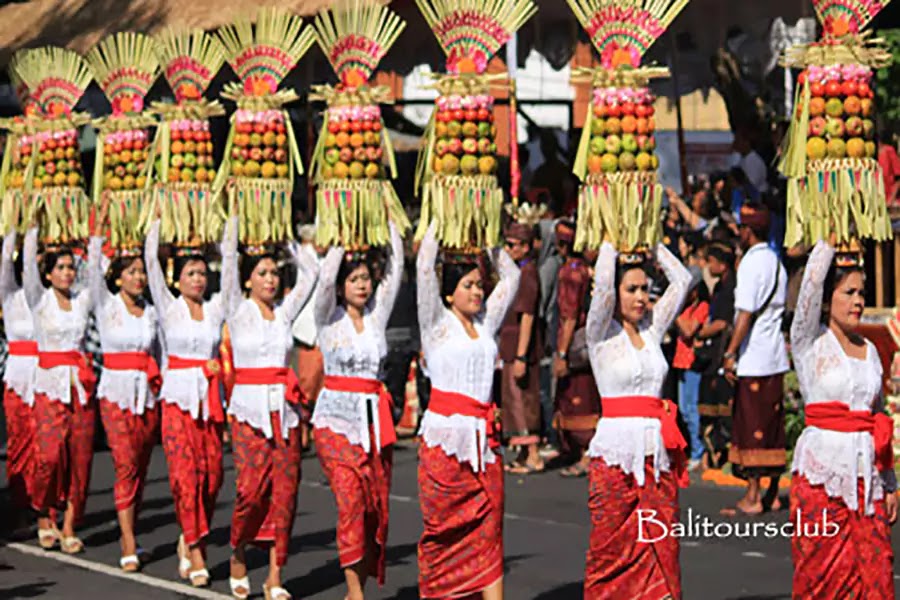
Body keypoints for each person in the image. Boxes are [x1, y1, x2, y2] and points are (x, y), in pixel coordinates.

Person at [582, 238, 691, 599]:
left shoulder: (653, 330)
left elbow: (682, 280)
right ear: (614, 294)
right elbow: (599, 291)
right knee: (611, 555)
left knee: (661, 551)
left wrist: (650, 241)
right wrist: (613, 237)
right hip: (614, 457)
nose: (641, 297)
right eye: (631, 289)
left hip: (656, 457)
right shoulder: (600, 334)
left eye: (645, 289)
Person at [415, 222, 520, 600]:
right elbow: (425, 265)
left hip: (484, 443)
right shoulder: (435, 325)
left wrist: (484, 230)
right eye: (468, 285)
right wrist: (445, 214)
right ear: (447, 294)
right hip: (444, 442)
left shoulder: (486, 323)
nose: (477, 291)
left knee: (490, 530)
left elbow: (511, 275)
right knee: (443, 531)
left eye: (479, 285)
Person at [789, 239, 897, 597]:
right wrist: (827, 239)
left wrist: (891, 482)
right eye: (849, 292)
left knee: (876, 572)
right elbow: (808, 286)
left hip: (869, 481)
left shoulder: (871, 352)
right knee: (823, 577)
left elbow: (878, 417)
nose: (858, 301)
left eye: (861, 293)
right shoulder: (809, 342)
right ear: (826, 297)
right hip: (823, 479)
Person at [311, 223, 403, 599]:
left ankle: (355, 588)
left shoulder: (378, 317)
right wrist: (344, 230)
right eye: (355, 280)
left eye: (366, 279)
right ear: (341, 286)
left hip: (374, 425)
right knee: (350, 501)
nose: (363, 286)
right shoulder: (326, 318)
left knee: (372, 509)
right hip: (335, 422)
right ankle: (356, 594)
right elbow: (324, 279)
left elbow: (397, 272)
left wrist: (387, 221)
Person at [226, 237, 318, 600]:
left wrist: (288, 240)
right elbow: (229, 257)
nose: (270, 280)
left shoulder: (284, 312)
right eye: (262, 273)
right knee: (250, 489)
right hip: (248, 411)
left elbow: (311, 273)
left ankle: (274, 575)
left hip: (285, 412)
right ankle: (237, 551)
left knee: (285, 494)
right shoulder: (236, 308)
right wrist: (239, 221)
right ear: (247, 280)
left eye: (275, 273)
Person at [145, 217, 235, 586]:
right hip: (177, 402)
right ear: (177, 279)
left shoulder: (215, 310)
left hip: (210, 402)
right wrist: (156, 220)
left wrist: (228, 227)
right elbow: (151, 262)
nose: (198, 279)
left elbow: (229, 271)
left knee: (212, 479)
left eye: (201, 273)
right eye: (190, 273)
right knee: (185, 479)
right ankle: (198, 553)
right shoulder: (168, 307)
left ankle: (189, 535)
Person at [89, 206, 161, 572]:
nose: (139, 277)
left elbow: (160, 351)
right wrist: (99, 231)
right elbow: (91, 267)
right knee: (125, 464)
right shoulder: (106, 305)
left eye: (141, 272)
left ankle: (132, 528)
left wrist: (157, 222)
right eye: (131, 272)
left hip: (146, 396)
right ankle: (128, 540)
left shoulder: (152, 311)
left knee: (141, 466)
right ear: (117, 278)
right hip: (115, 393)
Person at [23, 226, 96, 554]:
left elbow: (94, 271)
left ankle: (68, 524)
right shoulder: (39, 300)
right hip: (49, 388)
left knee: (80, 460)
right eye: (61, 268)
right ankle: (43, 512)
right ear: (48, 274)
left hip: (79, 389)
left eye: (70, 267)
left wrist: (95, 235)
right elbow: (26, 267)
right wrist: (30, 229)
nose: (67, 273)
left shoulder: (82, 301)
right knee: (50, 457)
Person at [721, 203, 790, 515]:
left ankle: (753, 495)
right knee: (772, 424)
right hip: (775, 356)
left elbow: (745, 314)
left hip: (754, 357)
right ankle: (773, 493)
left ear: (748, 231)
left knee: (752, 426)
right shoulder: (777, 262)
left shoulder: (750, 264)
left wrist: (731, 352)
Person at [553, 220, 601, 477]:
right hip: (583, 341)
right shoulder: (583, 270)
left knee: (581, 400)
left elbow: (569, 315)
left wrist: (561, 352)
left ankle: (587, 454)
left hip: (574, 344)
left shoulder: (572, 273)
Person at [0, 231, 39, 533]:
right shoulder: (10, 296)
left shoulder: (46, 299)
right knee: (20, 442)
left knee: (44, 443)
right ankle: (18, 504)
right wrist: (14, 225)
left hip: (44, 375)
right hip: (17, 376)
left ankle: (43, 505)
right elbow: (5, 261)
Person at [498, 220, 543, 474]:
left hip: (520, 348)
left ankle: (534, 454)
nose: (509, 249)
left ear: (526, 247)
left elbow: (527, 316)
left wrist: (521, 356)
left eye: (513, 245)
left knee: (523, 401)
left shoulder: (528, 274)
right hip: (510, 346)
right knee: (513, 401)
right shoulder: (517, 272)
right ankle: (525, 452)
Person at [696, 242, 736, 467]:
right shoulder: (721, 286)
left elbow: (722, 323)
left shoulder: (730, 289)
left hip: (720, 353)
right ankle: (710, 455)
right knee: (709, 409)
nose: (708, 265)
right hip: (713, 354)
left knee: (723, 410)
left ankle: (722, 455)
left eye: (711, 261)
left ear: (722, 264)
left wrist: (699, 333)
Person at [672, 267, 709, 470]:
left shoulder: (702, 306)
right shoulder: (686, 307)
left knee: (691, 409)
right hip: (680, 362)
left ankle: (698, 451)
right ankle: (692, 449)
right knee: (684, 410)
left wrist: (675, 312)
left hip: (693, 363)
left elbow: (688, 330)